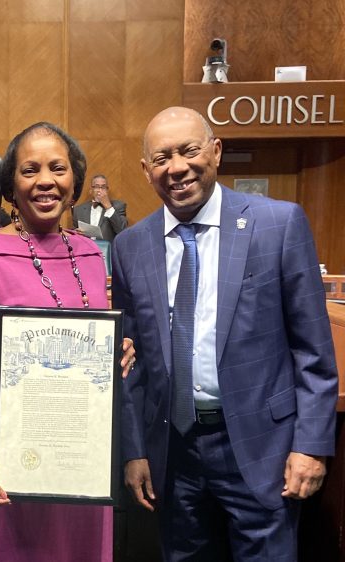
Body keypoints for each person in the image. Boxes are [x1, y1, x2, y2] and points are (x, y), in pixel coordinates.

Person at [112, 106, 337, 561]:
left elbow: (313, 352)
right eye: (161, 158)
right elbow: (130, 364)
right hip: (174, 455)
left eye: (189, 151)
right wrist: (135, 451)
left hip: (262, 449)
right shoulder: (130, 245)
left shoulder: (278, 224)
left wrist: (311, 446)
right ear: (146, 170)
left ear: (216, 151)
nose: (177, 168)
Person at [0, 122, 135, 561]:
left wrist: (118, 352)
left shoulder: (91, 252)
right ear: (11, 186)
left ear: (75, 181)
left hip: (84, 456)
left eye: (58, 168)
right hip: (18, 457)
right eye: (29, 170)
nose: (45, 181)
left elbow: (94, 340)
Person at [71, 174, 127, 241]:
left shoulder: (118, 206)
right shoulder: (78, 210)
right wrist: (77, 233)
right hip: (86, 249)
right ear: (91, 190)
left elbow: (122, 231)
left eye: (103, 187)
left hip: (107, 249)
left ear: (107, 190)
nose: (100, 190)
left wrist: (108, 207)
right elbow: (74, 235)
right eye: (96, 187)